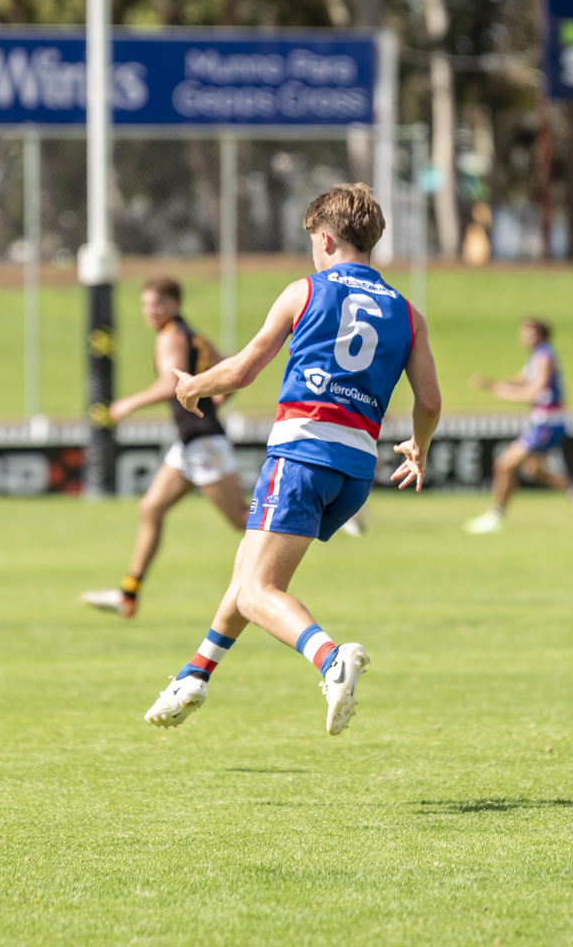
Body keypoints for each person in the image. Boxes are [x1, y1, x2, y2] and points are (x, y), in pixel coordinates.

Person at [142, 183, 442, 735]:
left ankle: (331, 659)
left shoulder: (304, 291)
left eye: (311, 242)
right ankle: (195, 674)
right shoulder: (407, 312)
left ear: (325, 239)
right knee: (248, 571)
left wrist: (192, 388)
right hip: (354, 472)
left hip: (302, 453)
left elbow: (241, 371)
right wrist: (419, 445)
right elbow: (429, 401)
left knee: (259, 591)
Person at [79, 277, 248, 618]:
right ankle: (128, 594)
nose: (150, 311)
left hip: (201, 441)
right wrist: (216, 399)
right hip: (190, 443)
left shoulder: (171, 335)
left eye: (156, 303)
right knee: (151, 508)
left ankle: (329, 512)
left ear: (175, 304)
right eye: (145, 304)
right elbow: (230, 368)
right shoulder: (191, 334)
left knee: (244, 520)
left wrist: (127, 404)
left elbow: (170, 385)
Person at [464, 319, 573, 533]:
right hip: (547, 423)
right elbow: (520, 381)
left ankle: (496, 516)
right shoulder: (537, 356)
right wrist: (491, 384)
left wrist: (505, 394)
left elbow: (535, 391)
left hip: (547, 424)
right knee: (533, 470)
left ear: (541, 335)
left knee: (504, 465)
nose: (524, 338)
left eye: (529, 334)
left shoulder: (544, 357)